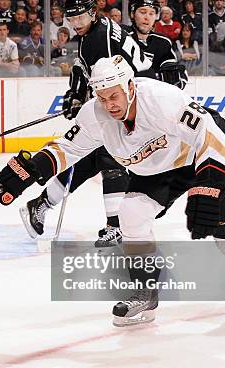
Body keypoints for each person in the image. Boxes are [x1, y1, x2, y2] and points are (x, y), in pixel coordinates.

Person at [0, 55, 225, 327]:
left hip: (201, 159)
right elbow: (68, 148)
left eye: (114, 96)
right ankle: (146, 292)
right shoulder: (95, 114)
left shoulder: (161, 99)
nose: (109, 105)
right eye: (102, 97)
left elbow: (211, 135)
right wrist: (28, 171)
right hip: (158, 172)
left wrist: (209, 186)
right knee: (131, 212)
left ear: (130, 87)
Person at [19, 0, 155, 247]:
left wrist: (84, 101)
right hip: (129, 100)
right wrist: (76, 93)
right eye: (72, 20)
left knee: (101, 158)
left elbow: (108, 82)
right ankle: (114, 225)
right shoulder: (97, 28)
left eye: (80, 18)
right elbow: (83, 69)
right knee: (104, 157)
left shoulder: (98, 39)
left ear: (92, 13)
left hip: (136, 101)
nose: (76, 24)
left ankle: (42, 204)